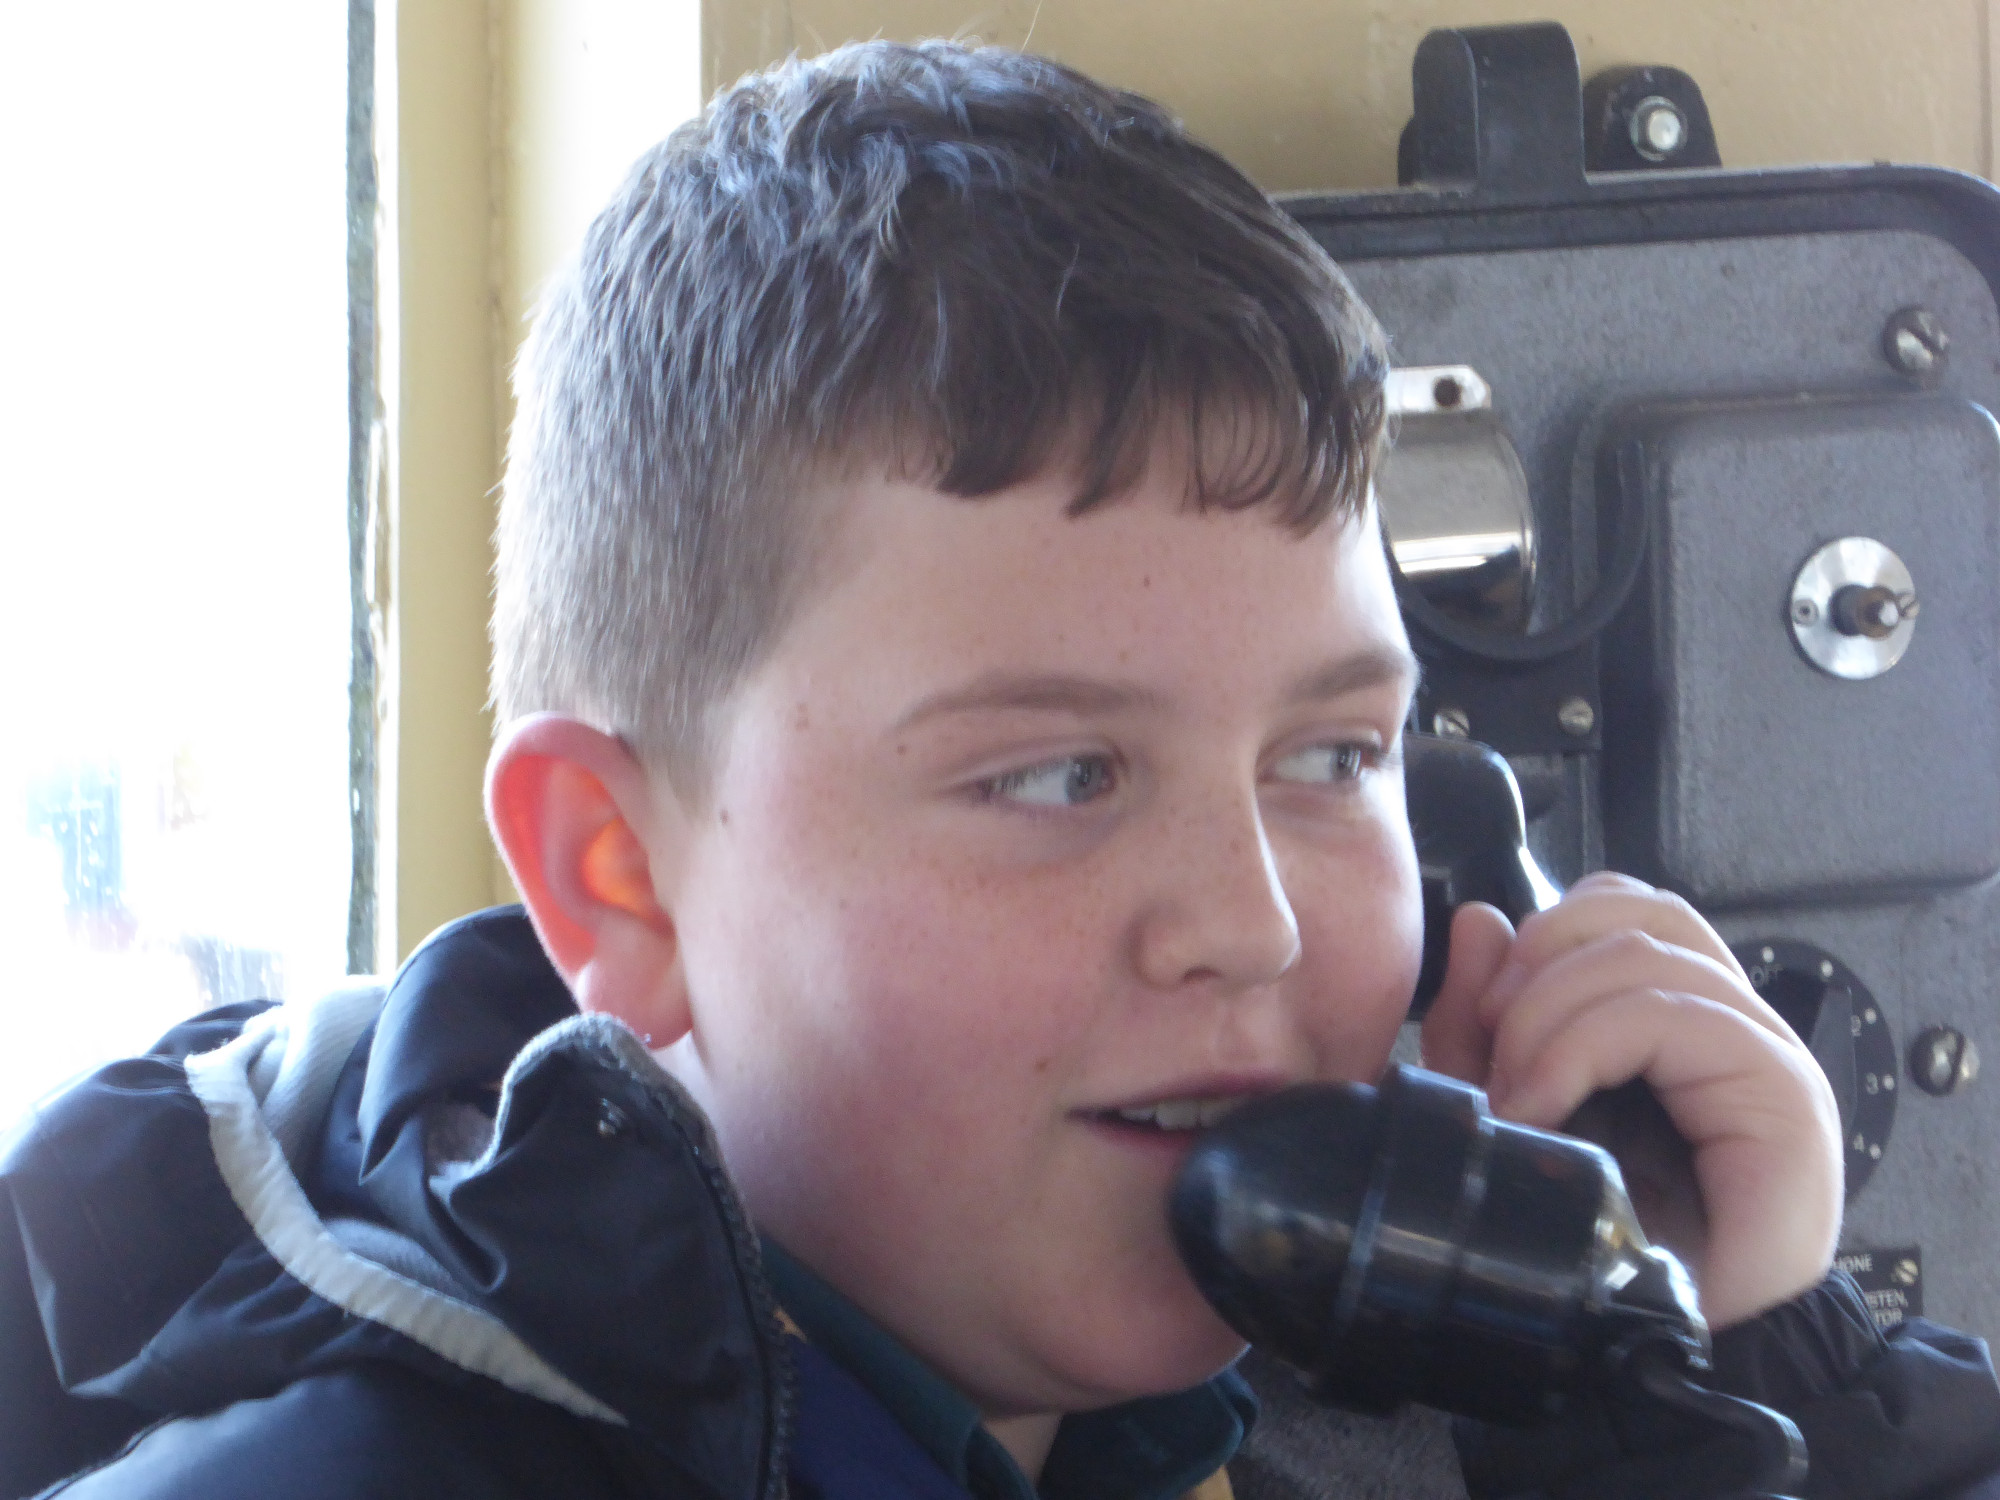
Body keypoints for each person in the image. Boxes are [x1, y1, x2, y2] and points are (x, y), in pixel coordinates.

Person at [4, 39, 1998, 1500]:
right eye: (1059, 778)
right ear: (621, 871)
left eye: (1333, 753)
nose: (1251, 922)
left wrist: (1732, 1356)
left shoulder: (1344, 1407)